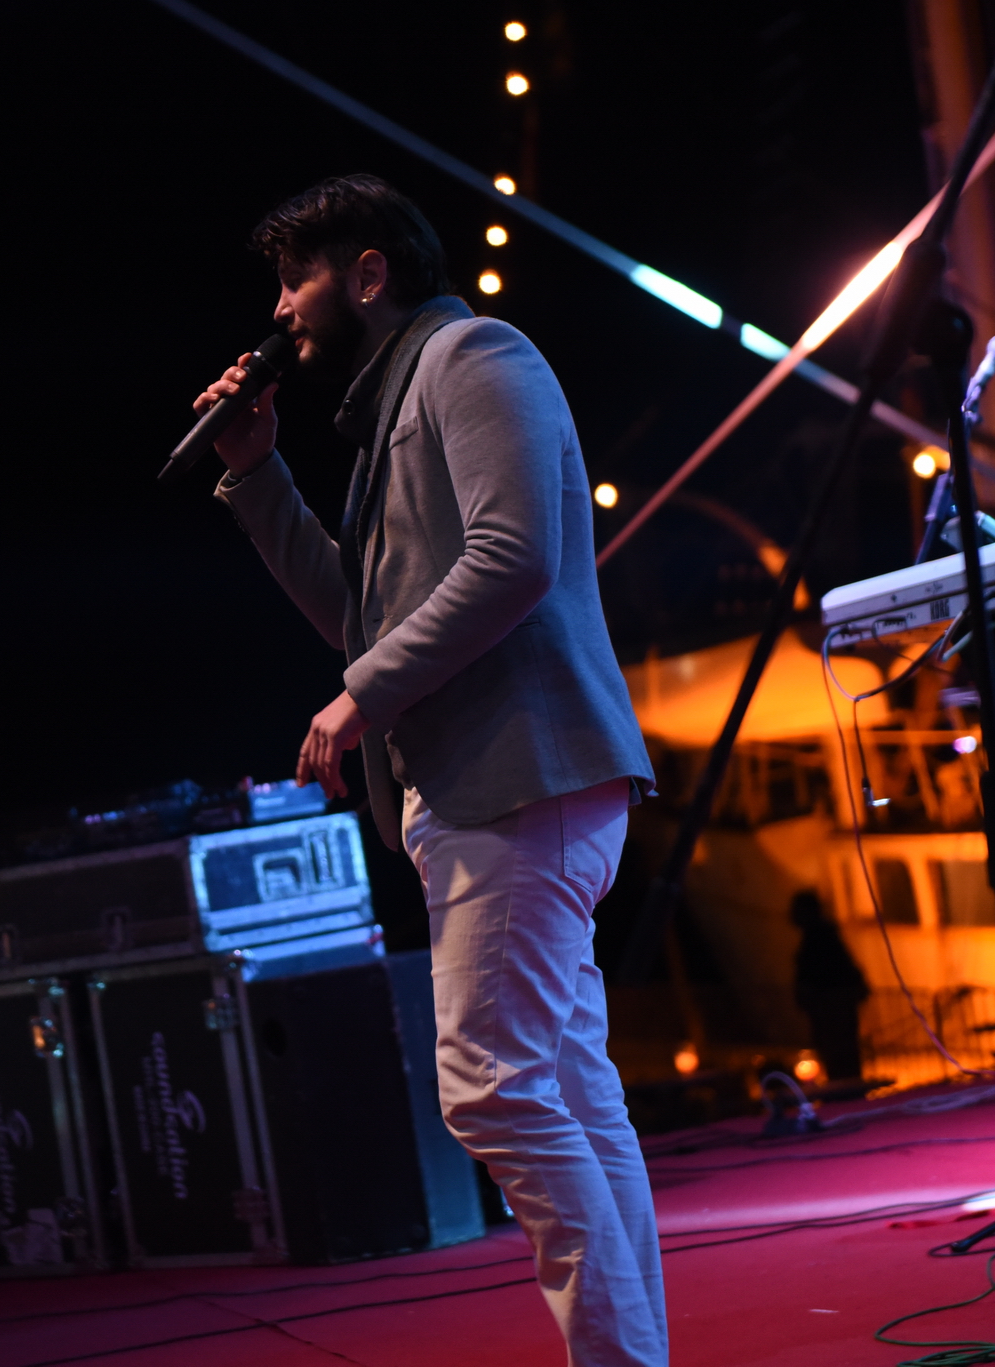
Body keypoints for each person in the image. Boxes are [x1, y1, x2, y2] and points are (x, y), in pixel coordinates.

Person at [197, 174, 663, 1365]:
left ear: (367, 274)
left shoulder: (471, 355)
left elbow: (513, 556)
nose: (279, 311)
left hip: (522, 768)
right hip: (491, 781)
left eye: (294, 280)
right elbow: (357, 615)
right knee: (564, 1084)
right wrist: (254, 473)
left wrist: (361, 694)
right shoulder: (387, 407)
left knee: (492, 1086)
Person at [789, 889, 869, 1081]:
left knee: (839, 1057)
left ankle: (846, 1089)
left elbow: (820, 974)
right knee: (843, 1056)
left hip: (830, 1008)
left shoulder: (817, 940)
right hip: (833, 1007)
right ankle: (848, 1086)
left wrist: (810, 995)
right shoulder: (823, 937)